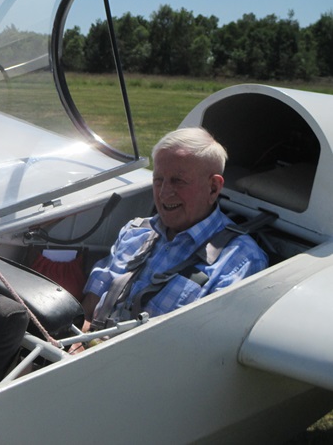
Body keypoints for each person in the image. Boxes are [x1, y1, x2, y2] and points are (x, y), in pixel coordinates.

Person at [78, 127, 268, 339]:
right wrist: (78, 345)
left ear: (213, 188)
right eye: (158, 179)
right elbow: (89, 310)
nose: (164, 193)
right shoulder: (135, 232)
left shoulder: (240, 261)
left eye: (178, 181)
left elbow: (206, 351)